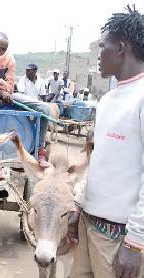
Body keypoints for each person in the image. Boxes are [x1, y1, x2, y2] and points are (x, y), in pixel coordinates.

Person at [68, 5, 144, 278]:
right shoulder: (109, 100)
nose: (99, 56)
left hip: (119, 240)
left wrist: (135, 243)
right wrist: (80, 204)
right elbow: (99, 161)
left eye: (104, 47)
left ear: (121, 48)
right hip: (90, 228)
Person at [16, 64, 50, 166]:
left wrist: (45, 107)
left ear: (35, 71)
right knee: (27, 129)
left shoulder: (40, 81)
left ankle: (39, 150)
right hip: (25, 105)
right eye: (26, 70)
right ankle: (27, 148)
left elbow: (43, 97)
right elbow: (20, 93)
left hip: (37, 107)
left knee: (40, 126)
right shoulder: (23, 79)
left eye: (29, 71)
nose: (26, 72)